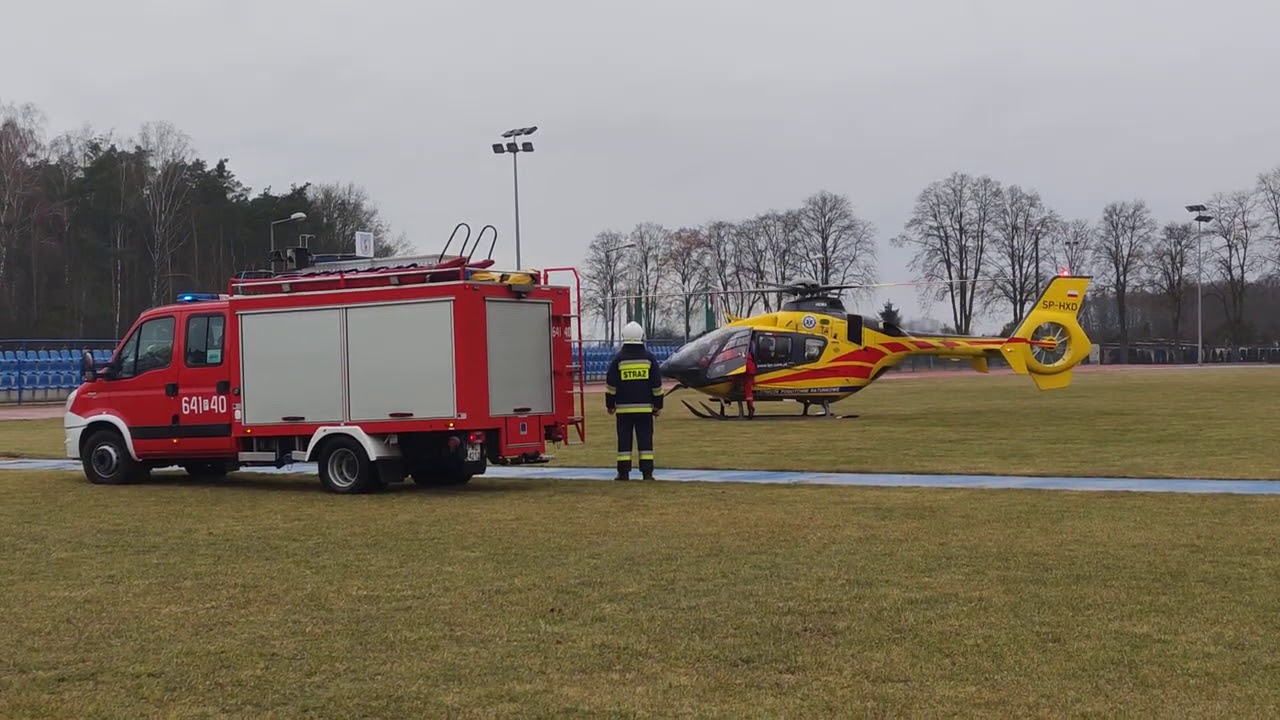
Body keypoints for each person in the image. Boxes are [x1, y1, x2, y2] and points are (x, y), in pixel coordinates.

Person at [605, 321, 664, 481]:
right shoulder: (649, 359)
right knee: (645, 441)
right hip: (645, 410)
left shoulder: (618, 359)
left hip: (624, 411)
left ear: (624, 337)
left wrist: (610, 405)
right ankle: (647, 473)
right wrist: (658, 405)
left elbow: (611, 385)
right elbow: (656, 385)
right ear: (641, 337)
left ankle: (623, 473)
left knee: (624, 442)